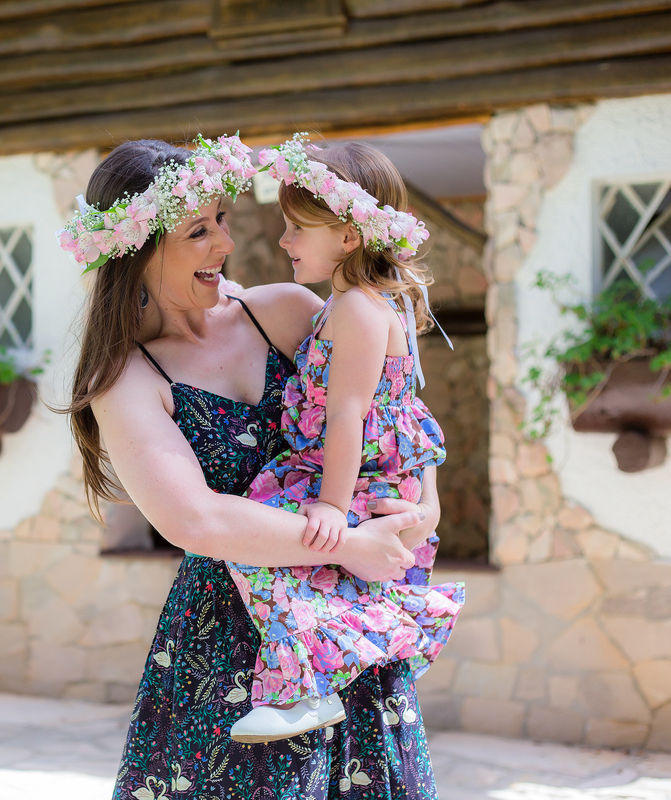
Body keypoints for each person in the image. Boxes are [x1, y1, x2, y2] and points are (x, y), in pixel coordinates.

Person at [58, 134, 442, 799]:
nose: (226, 243)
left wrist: (423, 505)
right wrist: (350, 544)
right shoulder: (125, 380)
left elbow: (387, 398)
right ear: (138, 251)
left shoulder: (286, 312)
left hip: (342, 628)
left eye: (222, 220)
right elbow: (196, 520)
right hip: (227, 649)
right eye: (198, 231)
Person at [225, 138, 465, 744]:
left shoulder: (357, 306)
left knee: (255, 537)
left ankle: (303, 689)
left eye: (297, 228)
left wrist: (331, 506)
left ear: (349, 236)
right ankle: (310, 679)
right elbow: (411, 410)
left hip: (353, 480)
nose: (283, 240)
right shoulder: (361, 303)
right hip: (362, 474)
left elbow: (350, 414)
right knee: (299, 563)